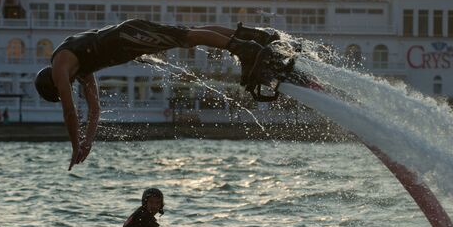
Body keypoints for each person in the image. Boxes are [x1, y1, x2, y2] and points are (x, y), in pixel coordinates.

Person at [34, 19, 279, 170]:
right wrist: (88, 142)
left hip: (127, 35)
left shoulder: (60, 65)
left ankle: (246, 49)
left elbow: (69, 111)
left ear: (53, 83)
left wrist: (75, 146)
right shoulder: (82, 70)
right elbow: (94, 108)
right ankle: (251, 36)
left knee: (187, 37)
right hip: (128, 44)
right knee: (188, 36)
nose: (67, 88)